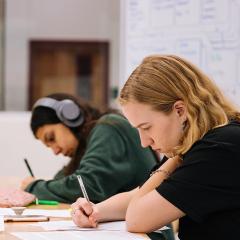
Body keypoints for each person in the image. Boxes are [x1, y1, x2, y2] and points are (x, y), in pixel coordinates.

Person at [71, 55, 240, 240]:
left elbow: (137, 219)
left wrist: (175, 158)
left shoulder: (219, 148)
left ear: (180, 111)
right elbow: (143, 195)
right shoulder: (201, 140)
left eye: (146, 128)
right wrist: (95, 210)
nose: (144, 142)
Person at [21, 93, 158, 204]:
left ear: (70, 115)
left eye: (52, 138)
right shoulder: (89, 141)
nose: (55, 151)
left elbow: (86, 186)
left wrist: (33, 187)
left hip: (147, 236)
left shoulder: (109, 128)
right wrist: (39, 186)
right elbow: (62, 181)